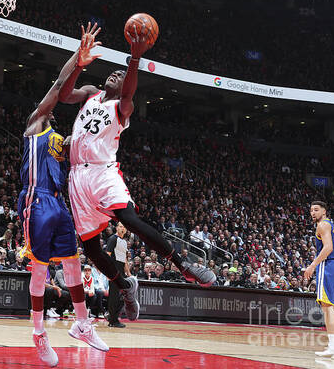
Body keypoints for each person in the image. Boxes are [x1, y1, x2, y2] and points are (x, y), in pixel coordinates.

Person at [58, 22, 216, 322]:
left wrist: (134, 59)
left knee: (129, 219)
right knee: (91, 250)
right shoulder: (91, 93)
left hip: (103, 173)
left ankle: (183, 265)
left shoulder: (123, 107)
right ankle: (124, 287)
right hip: (77, 177)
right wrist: (79, 61)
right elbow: (64, 94)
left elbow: (129, 90)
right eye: (113, 72)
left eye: (121, 76)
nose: (115, 75)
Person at [17, 23, 108, 366]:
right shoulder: (35, 123)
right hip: (36, 200)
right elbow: (59, 85)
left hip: (58, 202)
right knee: (39, 271)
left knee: (73, 262)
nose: (52, 106)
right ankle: (39, 334)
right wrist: (78, 60)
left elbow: (84, 142)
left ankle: (83, 323)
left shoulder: (60, 137)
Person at [304, 201, 334, 359]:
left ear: (324, 211)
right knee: (330, 306)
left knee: (327, 307)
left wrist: (312, 266)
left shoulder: (322, 225)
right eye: (311, 210)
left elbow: (328, 247)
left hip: (328, 265)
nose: (313, 213)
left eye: (316, 209)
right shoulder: (332, 225)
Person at [106, 222, 130, 328]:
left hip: (121, 272)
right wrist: (107, 271)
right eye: (120, 226)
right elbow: (107, 255)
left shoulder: (124, 242)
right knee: (113, 297)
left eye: (124, 227)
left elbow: (124, 259)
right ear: (117, 228)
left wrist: (128, 273)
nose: (122, 228)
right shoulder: (113, 239)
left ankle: (114, 317)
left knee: (122, 296)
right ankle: (112, 320)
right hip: (113, 271)